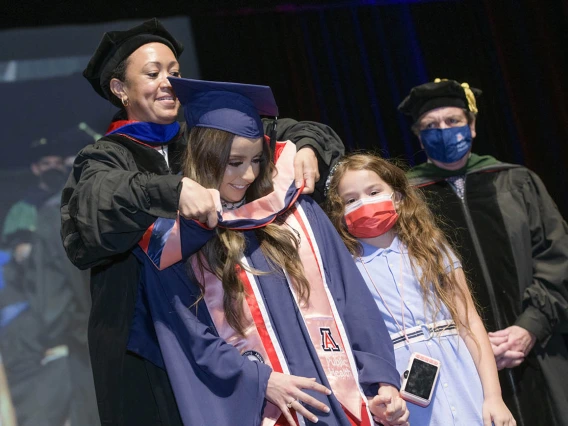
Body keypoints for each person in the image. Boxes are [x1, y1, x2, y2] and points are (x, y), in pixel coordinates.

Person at [61, 19, 345, 425]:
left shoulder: (205, 137)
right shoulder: (104, 158)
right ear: (120, 89)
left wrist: (307, 146)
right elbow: (91, 214)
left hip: (224, 335)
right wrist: (171, 190)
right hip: (145, 343)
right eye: (153, 73)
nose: (167, 82)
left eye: (174, 73)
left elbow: (294, 129)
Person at [129, 77, 409, 426]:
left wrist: (382, 380)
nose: (248, 175)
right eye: (234, 162)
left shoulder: (297, 213)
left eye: (257, 160)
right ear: (205, 156)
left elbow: (350, 297)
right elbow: (190, 341)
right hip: (264, 408)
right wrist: (263, 381)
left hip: (340, 402)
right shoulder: (176, 242)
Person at [398, 78, 568, 425]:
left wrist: (529, 327)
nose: (443, 131)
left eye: (452, 121)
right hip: (460, 364)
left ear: (472, 126)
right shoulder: (409, 200)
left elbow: (558, 259)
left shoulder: (516, 181)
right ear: (418, 135)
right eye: (431, 125)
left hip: (537, 350)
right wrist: (469, 345)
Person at [324, 153, 516, 426]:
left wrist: (494, 397)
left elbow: (470, 322)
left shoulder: (431, 249)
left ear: (398, 197)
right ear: (339, 214)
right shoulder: (345, 270)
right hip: (399, 384)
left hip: (460, 370)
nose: (364, 203)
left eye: (374, 191)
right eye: (351, 200)